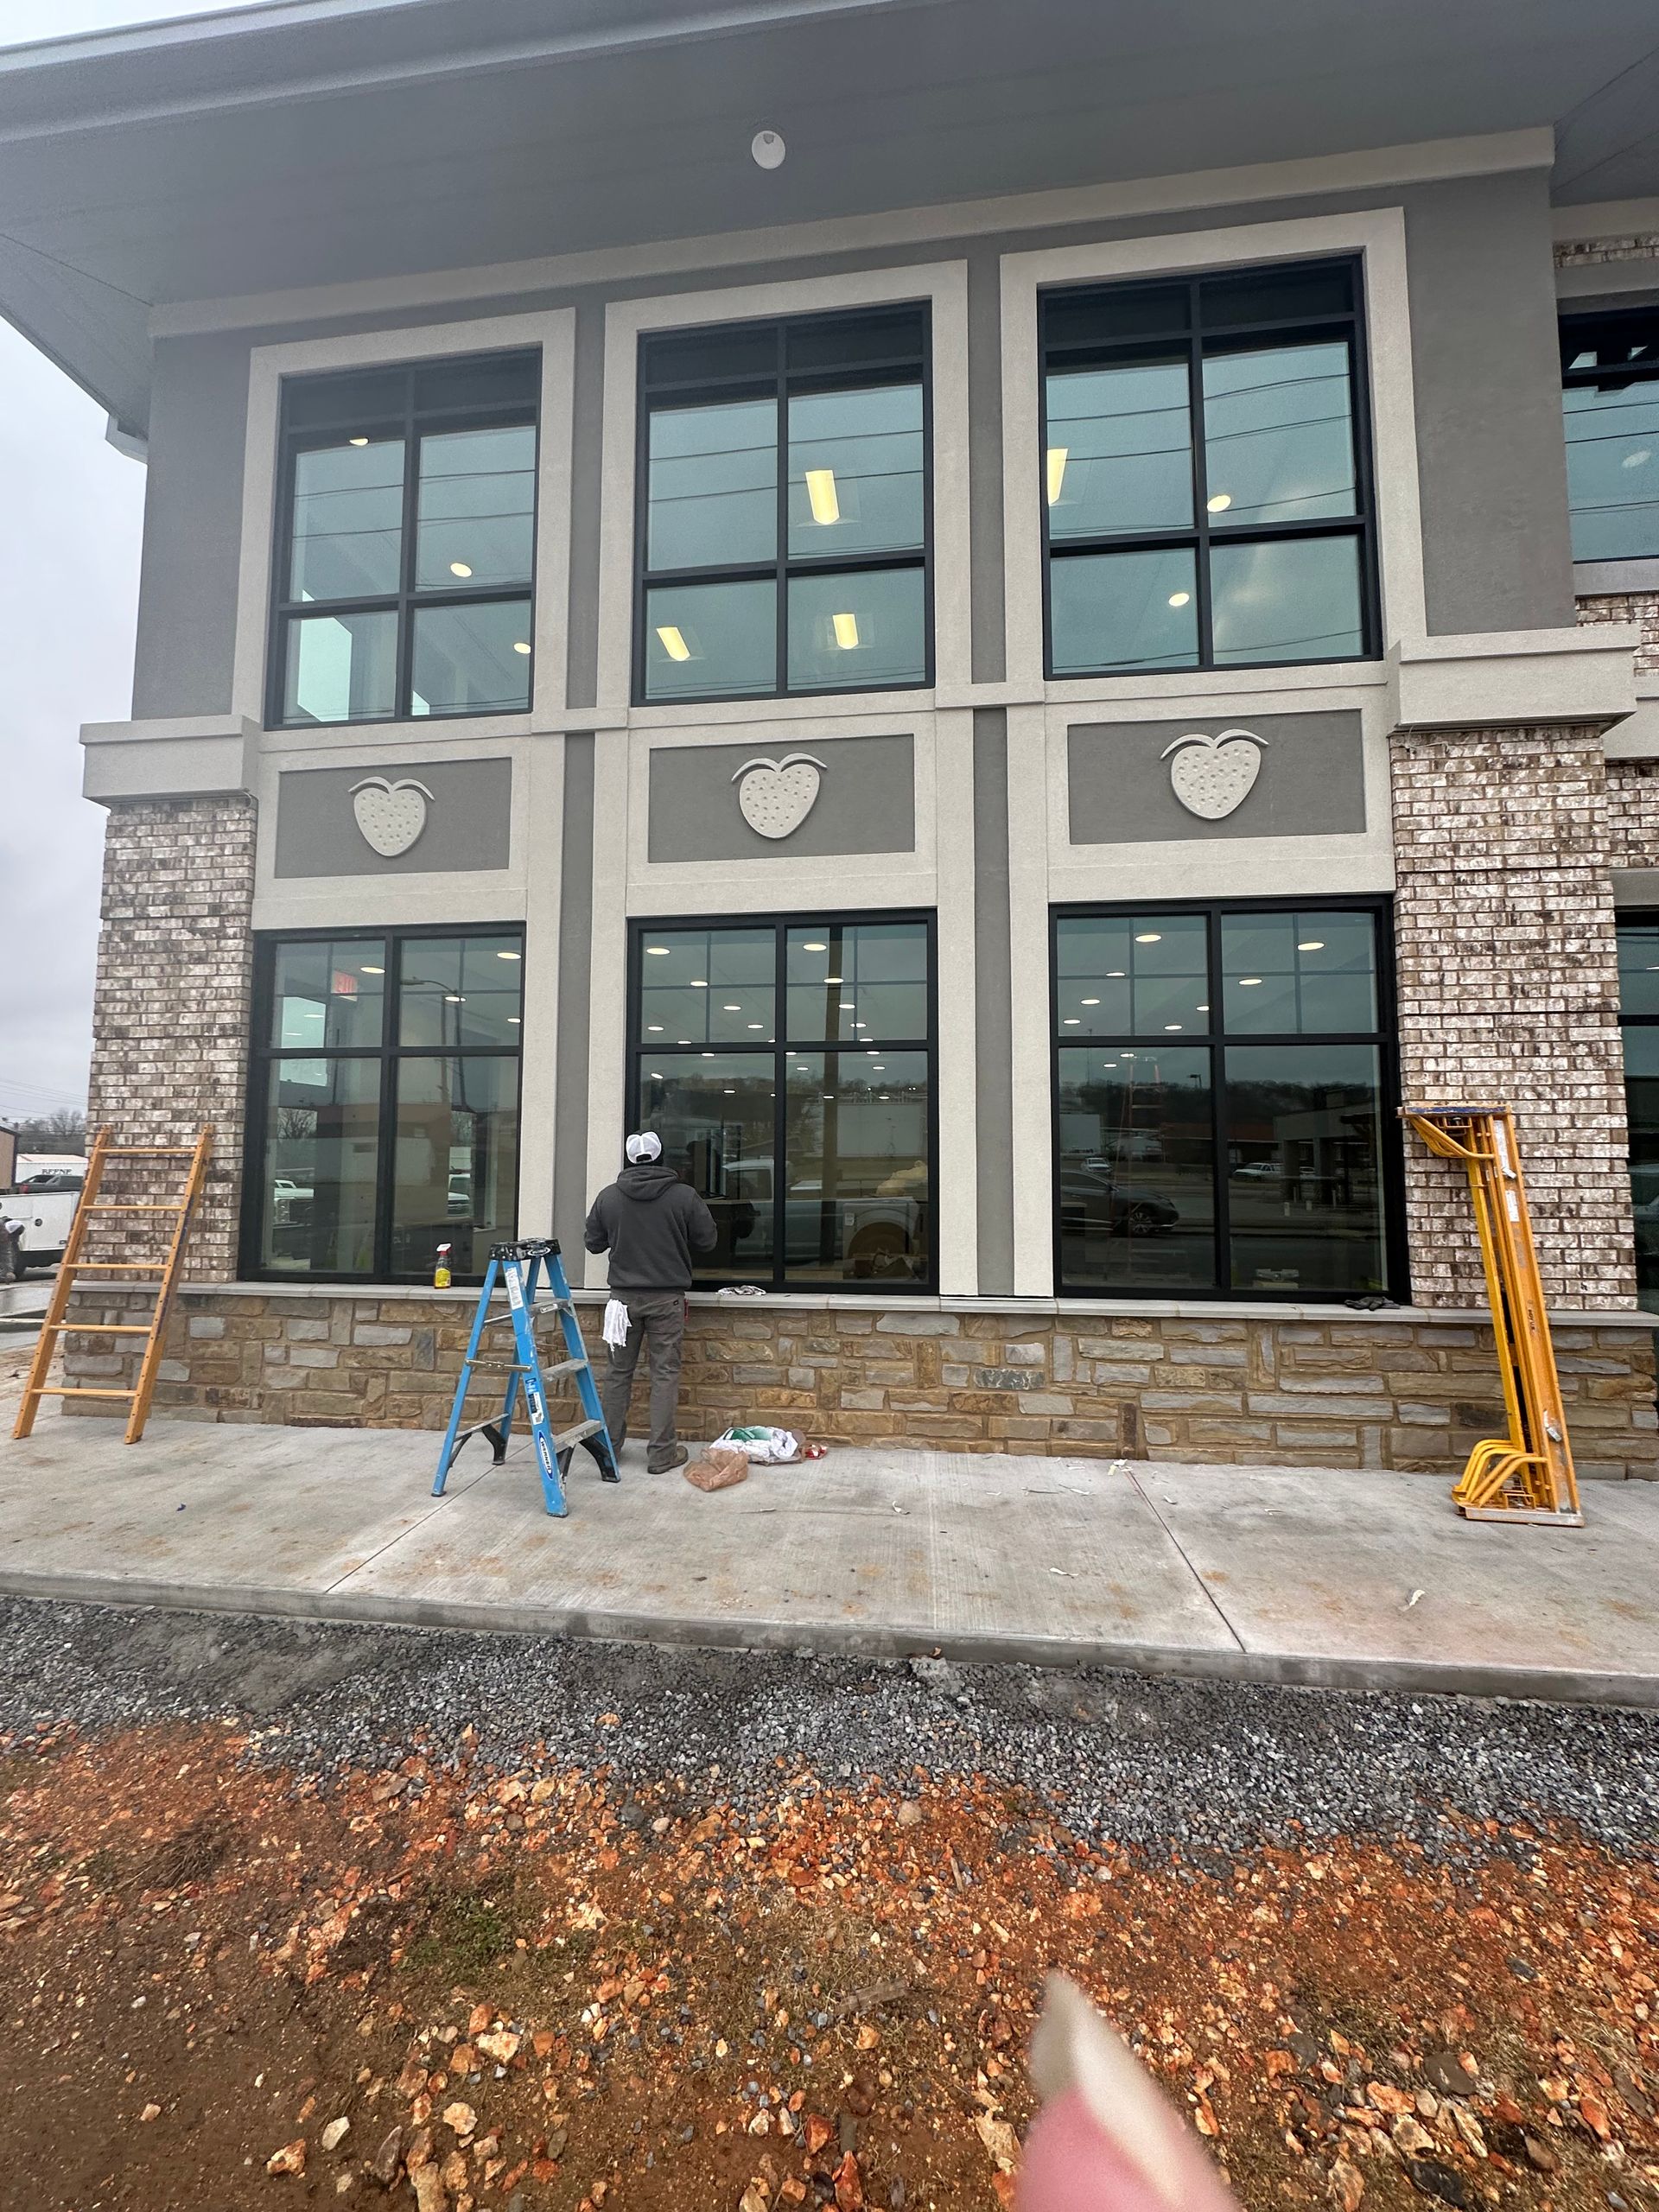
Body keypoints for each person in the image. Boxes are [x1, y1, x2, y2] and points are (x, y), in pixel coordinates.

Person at [584, 1132, 716, 1475]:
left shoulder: (609, 1197)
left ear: (630, 1159)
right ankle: (661, 1455)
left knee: (617, 1375)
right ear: (659, 1157)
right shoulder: (684, 1196)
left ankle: (609, 1449)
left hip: (622, 1302)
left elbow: (593, 1244)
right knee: (665, 1375)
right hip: (666, 1299)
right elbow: (708, 1240)